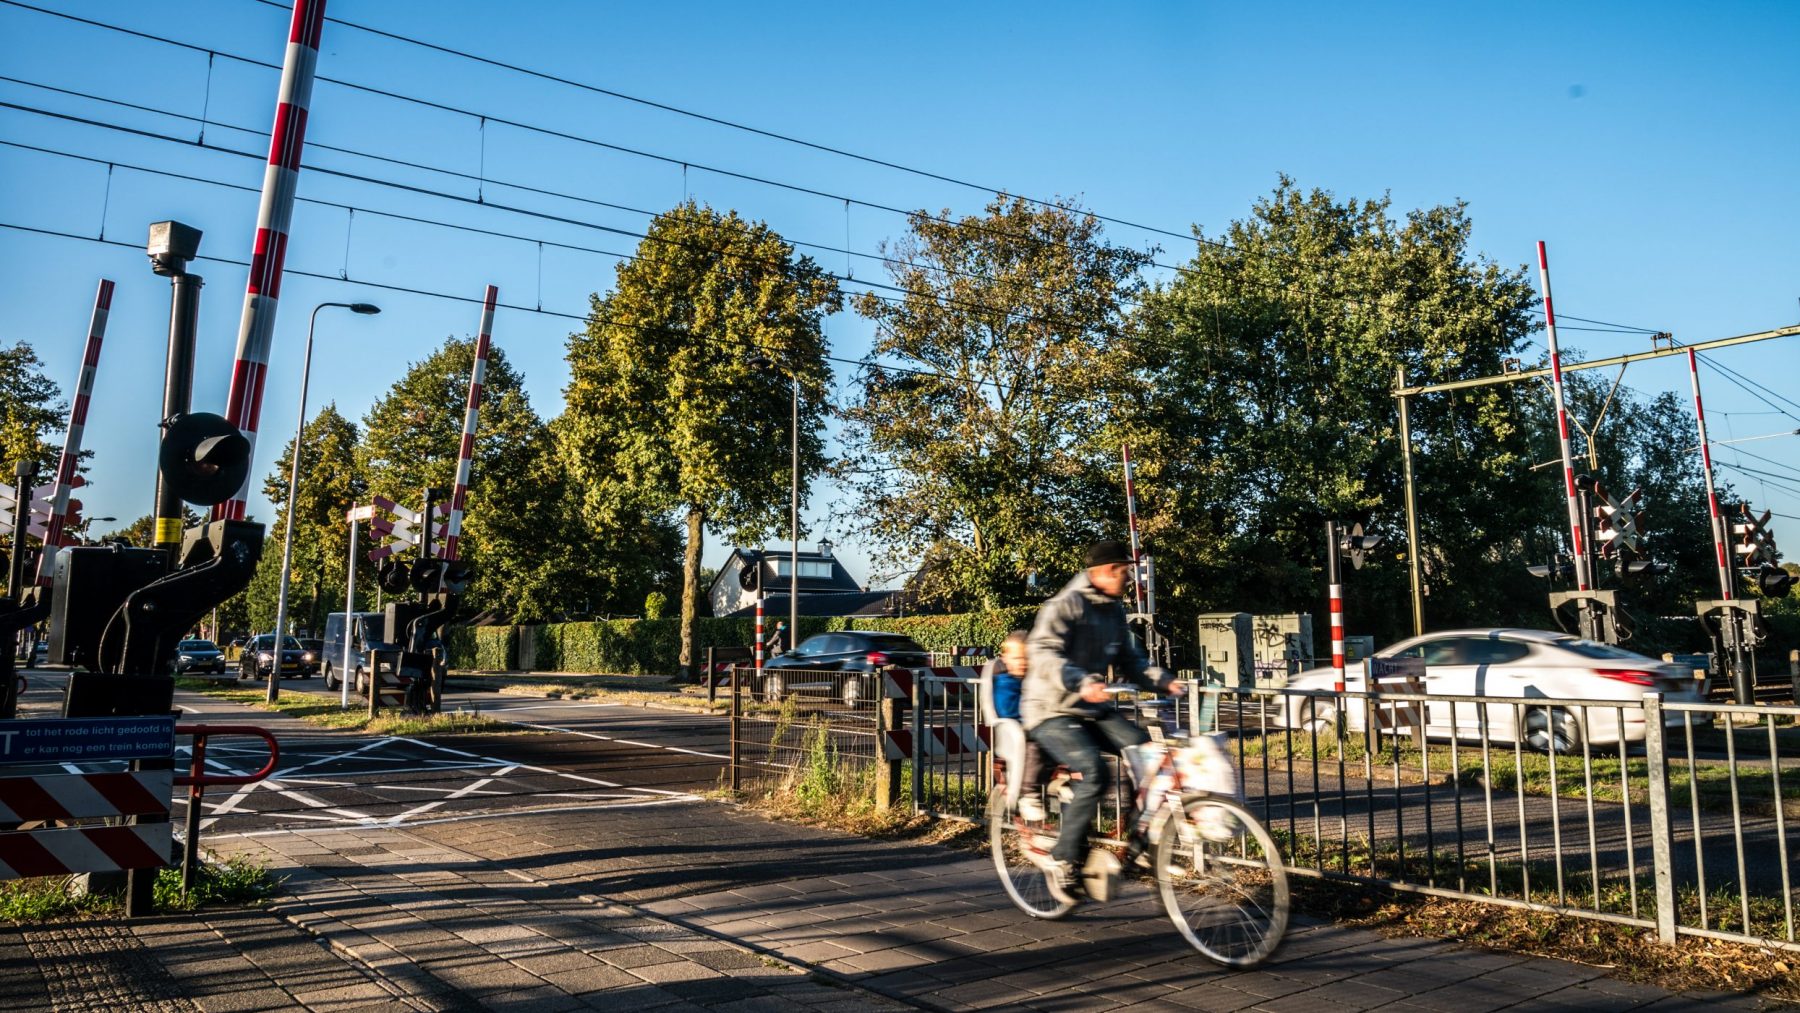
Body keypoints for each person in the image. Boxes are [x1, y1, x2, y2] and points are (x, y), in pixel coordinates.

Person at [1023, 539, 1182, 900]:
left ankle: (1138, 839)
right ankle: (1064, 858)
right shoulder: (1064, 605)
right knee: (1095, 771)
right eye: (1122, 571)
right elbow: (1044, 654)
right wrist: (1080, 680)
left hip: (1091, 707)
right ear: (1100, 572)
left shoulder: (1112, 610)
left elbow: (1131, 660)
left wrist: (1164, 680)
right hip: (1051, 709)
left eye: (1128, 571)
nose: (1128, 577)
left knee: (1146, 752)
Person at [981, 630, 1045, 821]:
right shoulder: (1005, 683)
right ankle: (1029, 795)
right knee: (1034, 749)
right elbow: (1008, 710)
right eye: (1017, 658)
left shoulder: (1031, 680)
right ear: (1005, 659)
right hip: (1015, 733)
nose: (1022, 663)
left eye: (1027, 658)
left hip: (1033, 728)